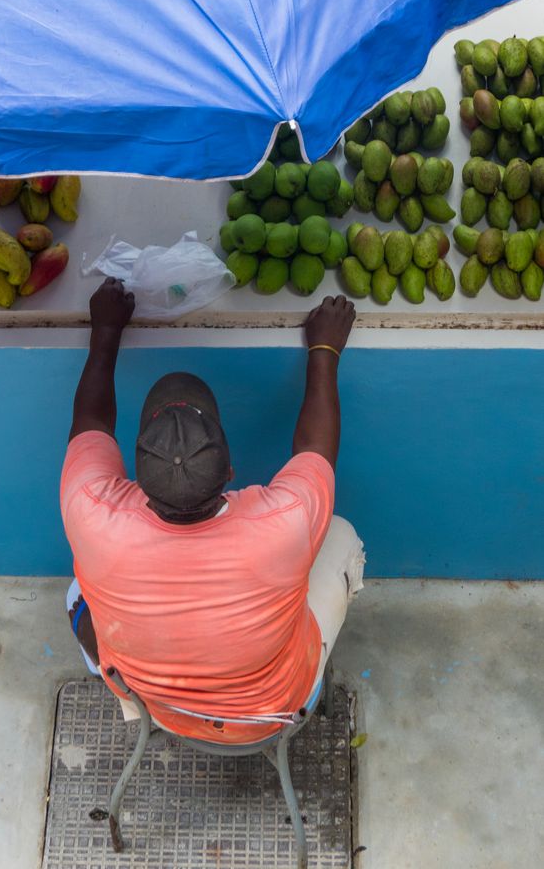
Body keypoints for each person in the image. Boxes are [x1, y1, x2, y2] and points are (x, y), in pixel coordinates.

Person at [61, 278, 365, 744]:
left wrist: (105, 330)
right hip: (273, 711)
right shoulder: (284, 523)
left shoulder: (91, 510)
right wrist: (324, 348)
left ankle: (140, 700)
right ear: (230, 469)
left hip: (155, 703)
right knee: (339, 533)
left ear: (135, 477)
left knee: (76, 592)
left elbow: (91, 422)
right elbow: (316, 449)